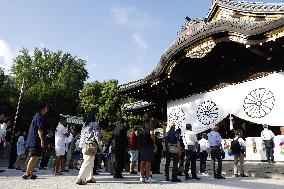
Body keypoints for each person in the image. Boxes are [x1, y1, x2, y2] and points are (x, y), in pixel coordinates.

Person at [22, 102, 48, 179]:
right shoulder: (39, 117)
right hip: (35, 140)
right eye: (46, 108)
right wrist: (42, 140)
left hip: (33, 140)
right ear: (42, 109)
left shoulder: (37, 116)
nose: (47, 109)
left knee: (35, 156)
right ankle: (27, 173)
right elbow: (40, 130)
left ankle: (31, 173)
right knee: (34, 156)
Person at [76, 110, 102, 185]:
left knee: (90, 161)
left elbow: (82, 135)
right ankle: (80, 178)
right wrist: (100, 143)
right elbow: (96, 134)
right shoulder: (95, 124)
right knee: (87, 161)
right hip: (90, 144)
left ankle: (89, 177)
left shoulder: (85, 124)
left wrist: (80, 146)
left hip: (84, 144)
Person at [139, 115, 156, 183]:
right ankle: (147, 177)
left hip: (142, 145)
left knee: (142, 161)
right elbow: (152, 134)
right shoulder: (150, 125)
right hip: (149, 145)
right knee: (148, 161)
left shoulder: (141, 126)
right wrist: (154, 143)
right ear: (150, 119)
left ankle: (141, 177)